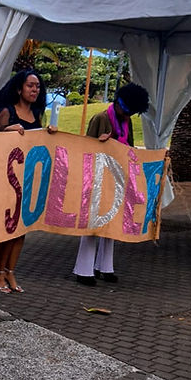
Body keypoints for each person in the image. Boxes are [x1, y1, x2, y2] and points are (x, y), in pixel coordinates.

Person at [73, 83, 151, 286]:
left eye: (131, 113)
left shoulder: (127, 123)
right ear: (118, 104)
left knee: (112, 225)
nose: (128, 116)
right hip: (97, 180)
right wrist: (99, 142)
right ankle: (84, 269)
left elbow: (130, 149)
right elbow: (85, 149)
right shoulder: (100, 118)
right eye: (126, 111)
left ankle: (105, 267)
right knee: (92, 225)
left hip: (117, 180)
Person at [0, 69, 56, 294]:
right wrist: (8, 130)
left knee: (22, 228)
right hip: (8, 179)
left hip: (29, 179)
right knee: (9, 227)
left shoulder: (37, 113)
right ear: (19, 88)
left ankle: (10, 270)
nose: (34, 90)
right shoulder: (7, 112)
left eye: (37, 86)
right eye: (30, 85)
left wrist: (50, 133)